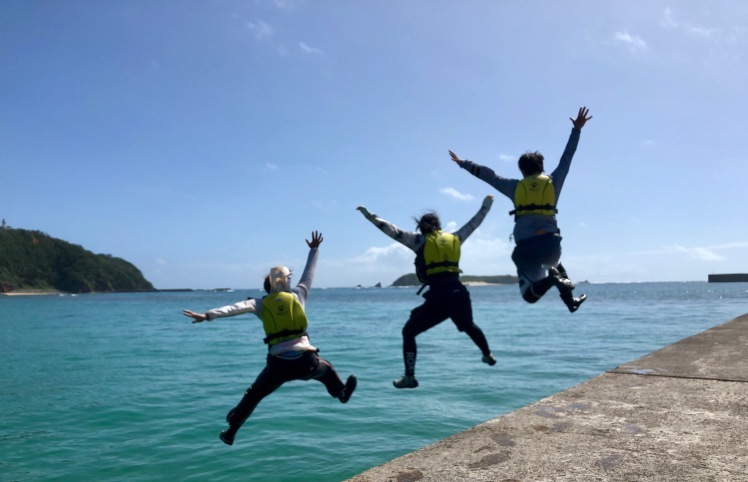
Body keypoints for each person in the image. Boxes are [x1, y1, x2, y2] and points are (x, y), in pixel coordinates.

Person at [183, 231, 357, 446]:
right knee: (326, 369)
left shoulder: (259, 303)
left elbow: (233, 308)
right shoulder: (299, 294)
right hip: (306, 363)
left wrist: (207, 315)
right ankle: (341, 393)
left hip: (278, 367)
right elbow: (309, 274)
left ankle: (231, 431)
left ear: (267, 289)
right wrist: (314, 249)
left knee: (253, 395)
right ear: (286, 285)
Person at [448, 107, 592, 313]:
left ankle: (555, 282)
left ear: (522, 170)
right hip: (551, 244)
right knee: (555, 262)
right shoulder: (553, 182)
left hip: (525, 246)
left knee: (530, 295)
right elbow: (566, 158)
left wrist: (463, 163)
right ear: (541, 167)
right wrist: (576, 129)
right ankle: (570, 301)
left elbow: (488, 175)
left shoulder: (515, 187)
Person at [356, 196, 497, 389]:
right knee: (467, 325)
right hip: (460, 294)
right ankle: (487, 354)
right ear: (439, 226)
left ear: (421, 227)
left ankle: (409, 377)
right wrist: (486, 206)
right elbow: (474, 223)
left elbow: (391, 230)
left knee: (408, 332)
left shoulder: (419, 241)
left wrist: (367, 215)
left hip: (440, 296)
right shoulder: (455, 238)